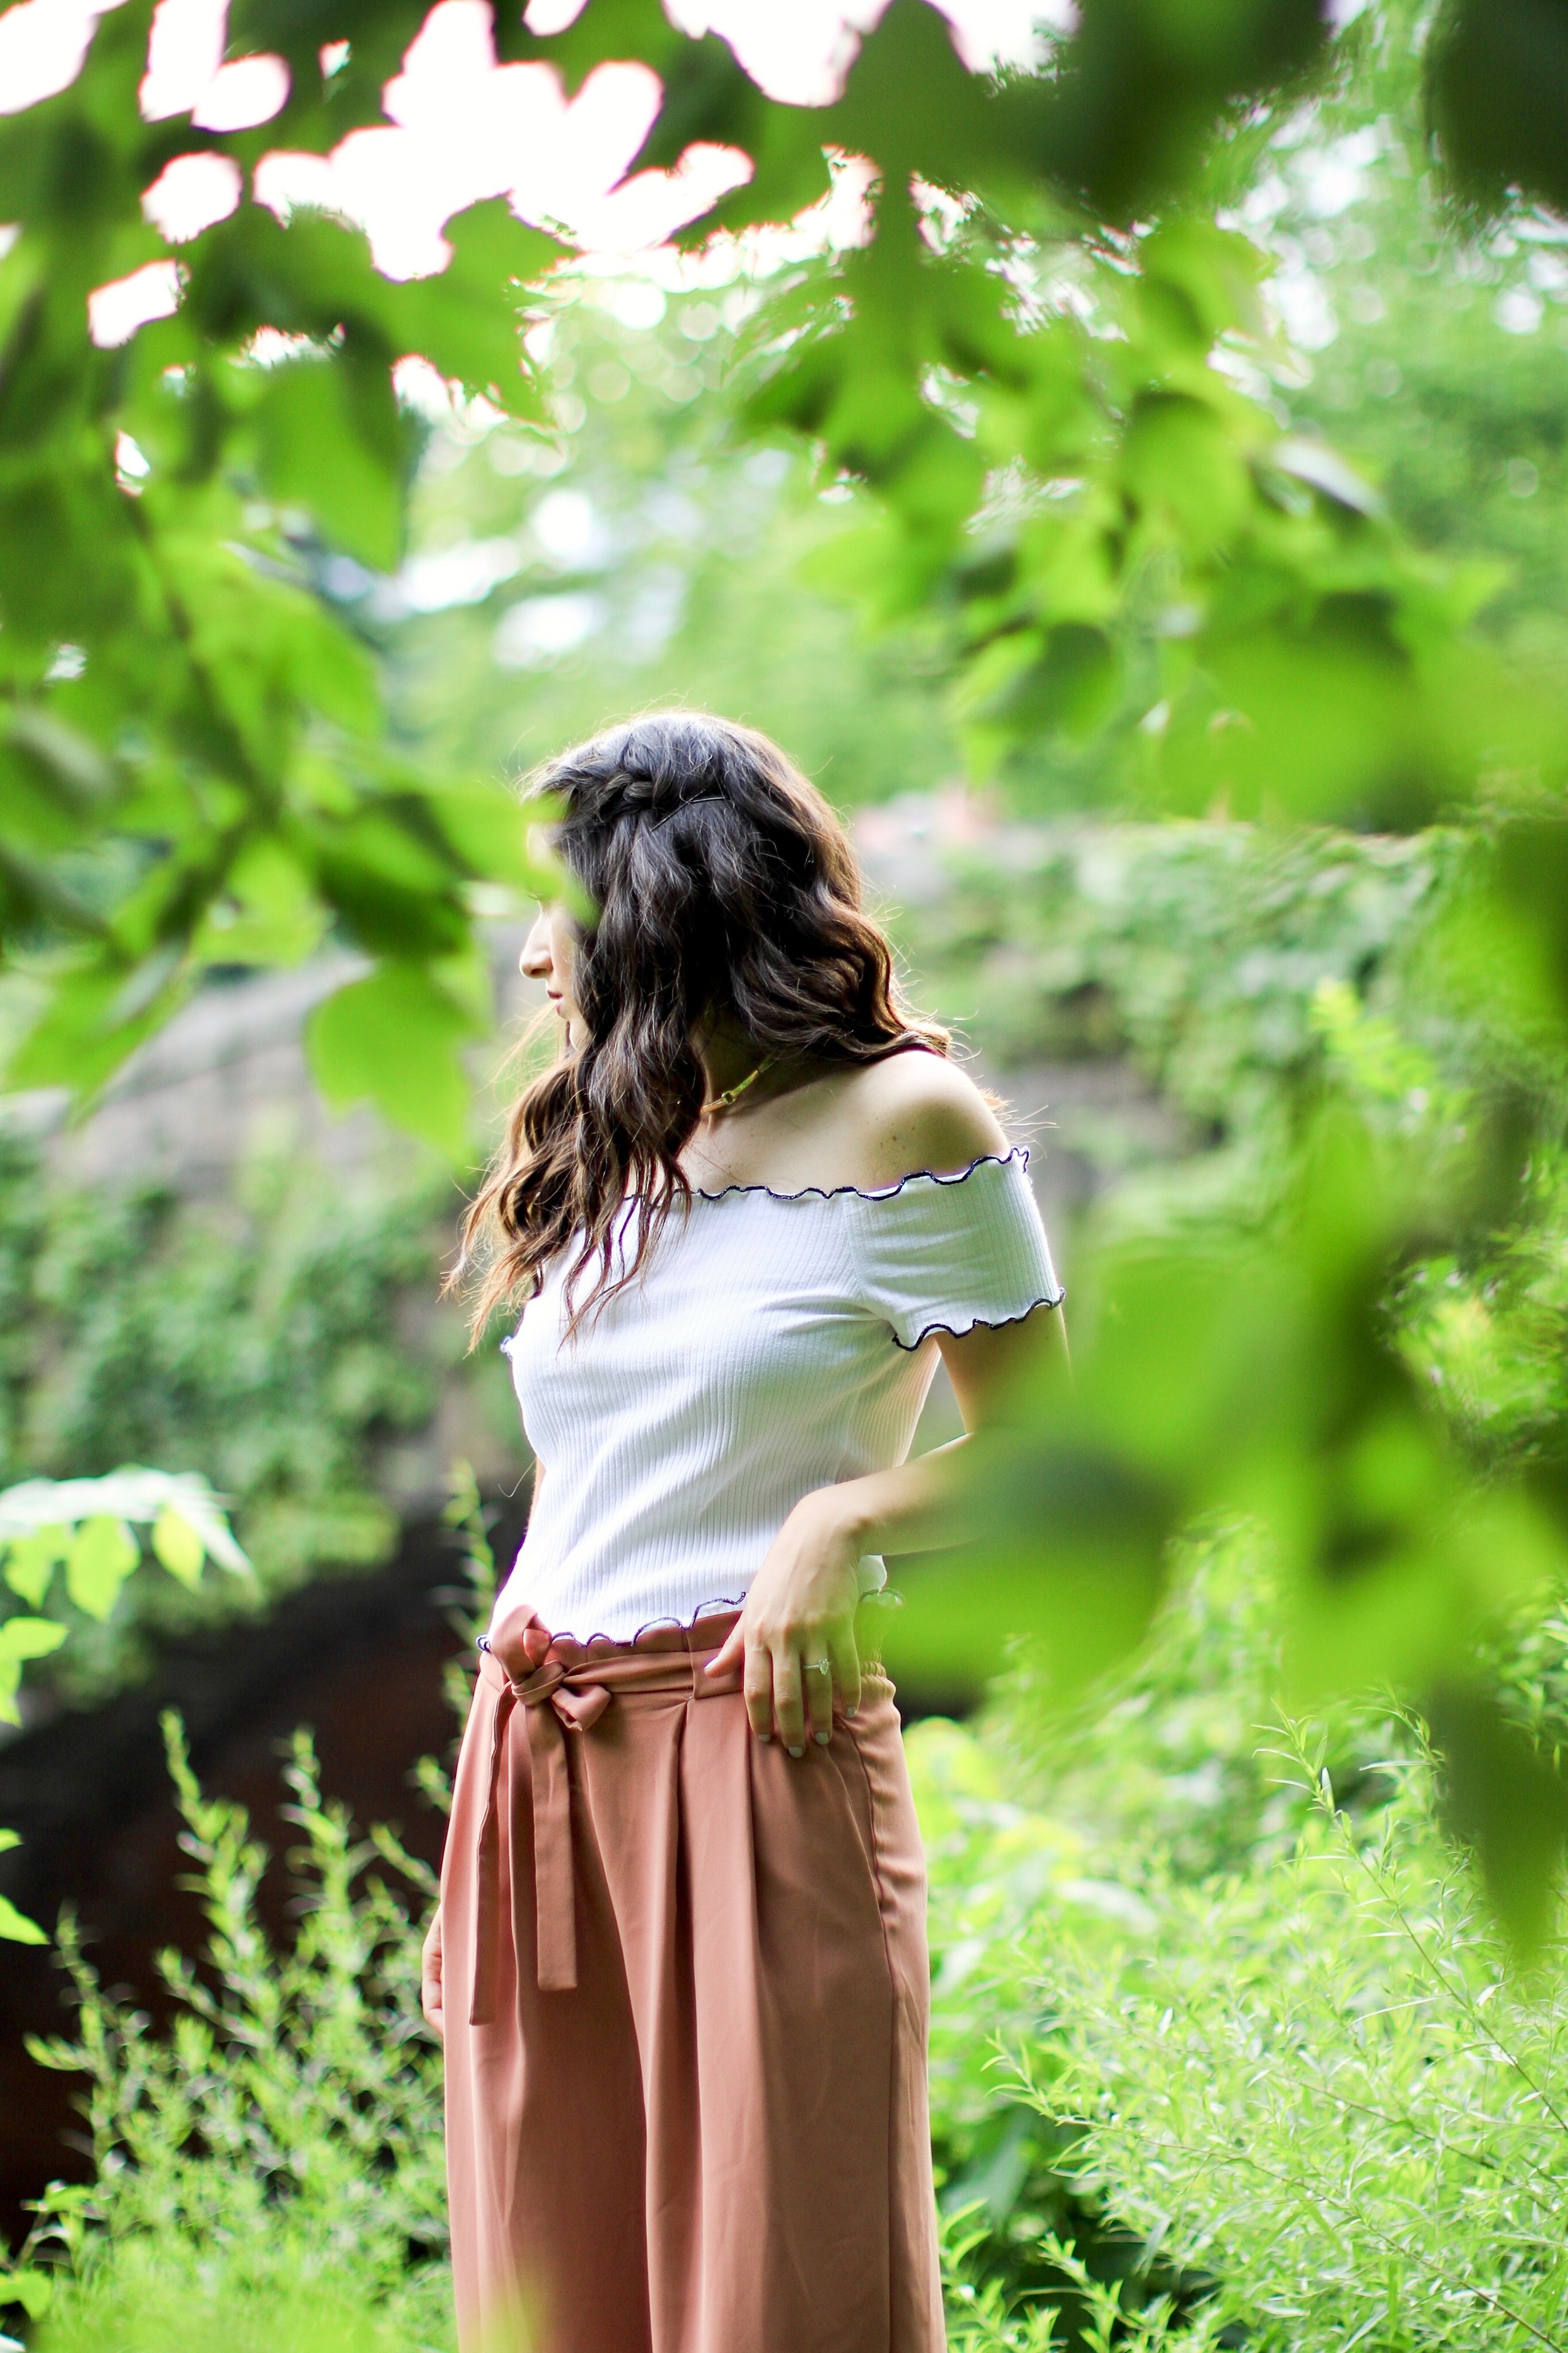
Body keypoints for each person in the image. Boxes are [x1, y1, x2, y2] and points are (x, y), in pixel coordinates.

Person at [422, 713, 1066, 2353]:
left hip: (751, 1745)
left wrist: (843, 1515)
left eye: (546, 907)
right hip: (540, 1750)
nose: (523, 959)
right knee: (552, 2293)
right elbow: (598, 1480)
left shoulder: (907, 1121)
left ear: (652, 901)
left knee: (785, 2293)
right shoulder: (616, 1137)